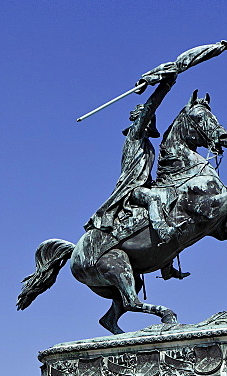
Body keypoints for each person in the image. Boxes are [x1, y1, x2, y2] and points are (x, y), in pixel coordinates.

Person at [84, 63, 189, 261]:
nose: (149, 121)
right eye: (147, 118)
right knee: (153, 199)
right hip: (131, 188)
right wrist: (166, 86)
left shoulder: (148, 144)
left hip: (144, 184)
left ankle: (166, 264)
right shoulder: (135, 135)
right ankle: (164, 233)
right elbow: (150, 106)